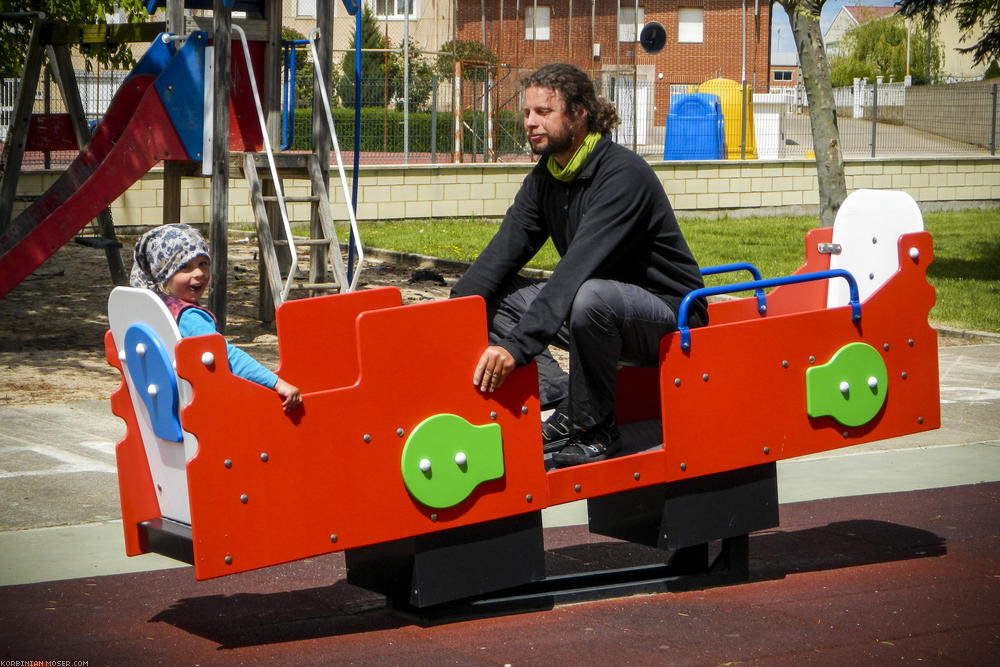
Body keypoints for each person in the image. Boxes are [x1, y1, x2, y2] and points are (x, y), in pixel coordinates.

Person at [450, 63, 708, 468]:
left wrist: (516, 349)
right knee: (495, 295)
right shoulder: (546, 178)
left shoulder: (622, 175)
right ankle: (557, 397)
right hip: (599, 307)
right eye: (527, 112)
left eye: (543, 112)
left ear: (579, 113)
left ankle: (596, 428)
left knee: (591, 296)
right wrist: (449, 315)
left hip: (669, 314)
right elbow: (499, 256)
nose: (530, 123)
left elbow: (575, 271)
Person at [130, 223, 302, 413]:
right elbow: (226, 356)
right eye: (185, 267)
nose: (199, 273)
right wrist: (276, 383)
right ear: (164, 274)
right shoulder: (189, 317)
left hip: (166, 404)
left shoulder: (154, 307)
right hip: (201, 406)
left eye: (203, 264)